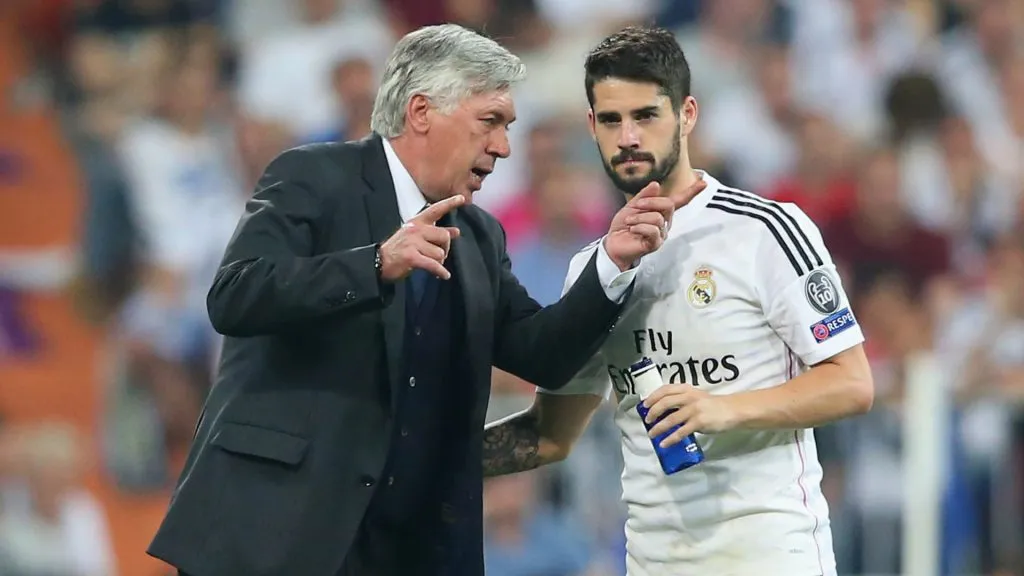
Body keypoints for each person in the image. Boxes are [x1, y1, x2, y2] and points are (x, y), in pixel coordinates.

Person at [146, 24, 693, 576]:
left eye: (507, 127)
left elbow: (543, 354)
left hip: (408, 547)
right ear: (422, 112)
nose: (504, 147)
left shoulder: (479, 237)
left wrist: (612, 261)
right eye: (490, 122)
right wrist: (375, 264)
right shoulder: (312, 176)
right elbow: (236, 295)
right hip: (277, 532)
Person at [480, 27, 875, 576]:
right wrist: (424, 456)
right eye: (612, 120)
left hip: (770, 555)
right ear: (591, 126)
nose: (628, 137)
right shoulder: (594, 270)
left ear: (687, 114)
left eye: (646, 115)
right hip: (654, 561)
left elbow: (852, 383)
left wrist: (721, 409)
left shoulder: (765, 229)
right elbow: (550, 436)